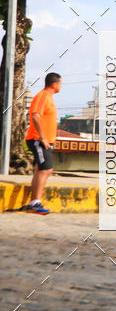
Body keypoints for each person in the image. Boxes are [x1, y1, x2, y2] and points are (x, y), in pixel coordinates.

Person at [23, 73, 61, 215]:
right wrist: (43, 137)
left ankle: (34, 202)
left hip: (45, 141)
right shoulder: (43, 96)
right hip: (38, 140)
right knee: (46, 169)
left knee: (41, 170)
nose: (61, 86)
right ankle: (35, 203)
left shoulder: (49, 97)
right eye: (60, 83)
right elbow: (35, 115)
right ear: (54, 84)